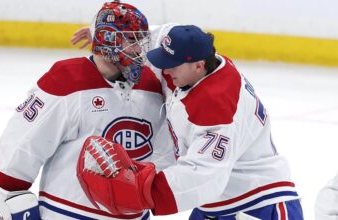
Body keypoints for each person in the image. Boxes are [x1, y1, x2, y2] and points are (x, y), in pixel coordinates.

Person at [79, 25, 305, 219]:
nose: (165, 69)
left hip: (256, 205)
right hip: (214, 204)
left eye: (173, 64)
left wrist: (142, 192)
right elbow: (161, 36)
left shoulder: (215, 107)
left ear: (198, 65)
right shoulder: (202, 60)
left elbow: (202, 172)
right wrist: (109, 37)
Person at [0, 1, 176, 219]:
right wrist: (9, 192)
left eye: (141, 40)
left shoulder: (153, 84)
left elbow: (166, 151)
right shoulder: (67, 80)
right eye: (132, 40)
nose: (139, 49)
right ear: (109, 39)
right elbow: (24, 143)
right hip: (68, 213)